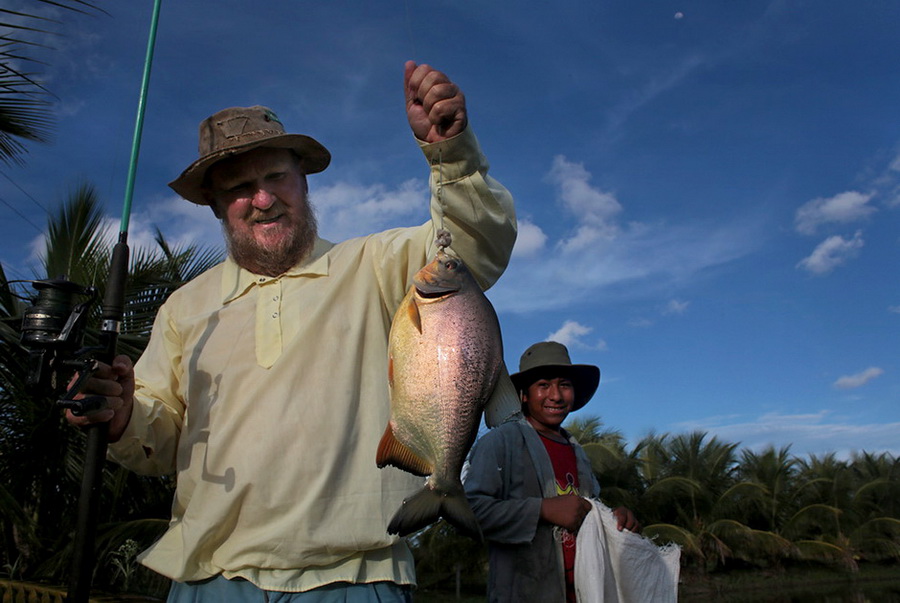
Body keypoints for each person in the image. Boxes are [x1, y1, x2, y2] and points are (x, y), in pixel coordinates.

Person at [67, 61, 516, 601]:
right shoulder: (185, 307)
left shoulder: (378, 264)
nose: (263, 199)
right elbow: (159, 440)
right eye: (239, 187)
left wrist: (452, 154)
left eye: (276, 177)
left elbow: (473, 246)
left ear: (303, 181)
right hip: (212, 577)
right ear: (215, 206)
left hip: (358, 575)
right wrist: (121, 419)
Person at [463, 341, 640, 602]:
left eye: (564, 385)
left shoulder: (578, 453)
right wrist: (542, 510)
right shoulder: (500, 443)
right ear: (524, 394)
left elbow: (587, 514)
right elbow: (470, 513)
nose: (555, 395)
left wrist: (614, 519)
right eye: (543, 385)